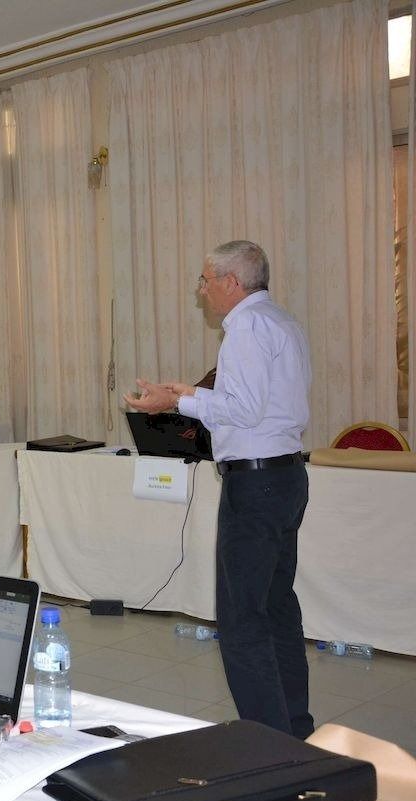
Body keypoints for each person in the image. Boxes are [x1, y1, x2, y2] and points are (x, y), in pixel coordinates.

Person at [124, 239, 313, 739]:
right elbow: (260, 402)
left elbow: (243, 410)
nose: (201, 290)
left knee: (243, 619)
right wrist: (189, 392)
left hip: (256, 484)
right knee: (277, 607)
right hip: (286, 476)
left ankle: (266, 743)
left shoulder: (246, 328)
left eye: (206, 280)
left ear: (232, 282)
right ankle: (295, 730)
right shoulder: (281, 321)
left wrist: (177, 403)